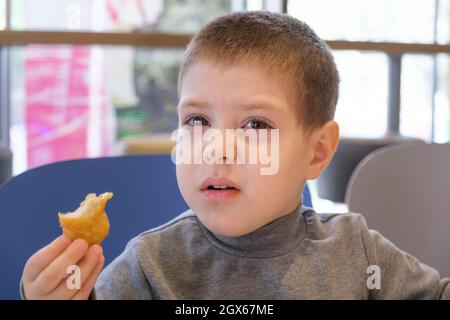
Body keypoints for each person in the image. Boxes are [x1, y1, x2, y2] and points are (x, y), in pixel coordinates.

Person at [21, 11, 450, 299]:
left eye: (256, 125)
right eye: (196, 121)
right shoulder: (148, 268)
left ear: (317, 151)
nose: (216, 147)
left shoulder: (358, 256)